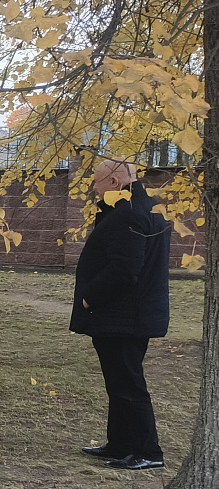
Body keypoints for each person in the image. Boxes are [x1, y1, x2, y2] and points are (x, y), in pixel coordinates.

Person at [71, 158, 171, 471]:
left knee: (127, 383)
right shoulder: (150, 208)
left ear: (114, 183)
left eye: (97, 183)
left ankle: (147, 451)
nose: (94, 190)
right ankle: (121, 443)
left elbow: (125, 269)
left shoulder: (126, 215)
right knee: (119, 382)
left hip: (121, 316)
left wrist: (90, 298)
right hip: (133, 314)